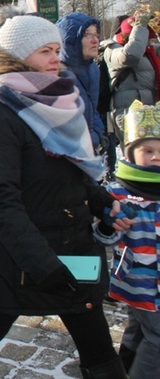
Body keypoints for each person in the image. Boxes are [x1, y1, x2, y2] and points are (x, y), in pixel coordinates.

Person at [0, 15, 127, 378]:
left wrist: (102, 201)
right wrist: (44, 266)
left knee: (98, 347)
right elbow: (1, 202)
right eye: (45, 51)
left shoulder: (60, 99)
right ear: (17, 57)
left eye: (57, 50)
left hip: (71, 244)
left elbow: (70, 169)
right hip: (19, 256)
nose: (55, 59)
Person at [93, 100, 160, 379]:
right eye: (148, 151)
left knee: (137, 330)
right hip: (140, 282)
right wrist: (111, 225)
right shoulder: (119, 193)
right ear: (131, 155)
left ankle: (123, 368)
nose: (157, 157)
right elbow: (102, 234)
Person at [103, 8, 159, 147]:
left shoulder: (149, 52)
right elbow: (131, 55)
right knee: (138, 158)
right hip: (129, 114)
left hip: (150, 113)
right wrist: (140, 26)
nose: (148, 40)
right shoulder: (112, 49)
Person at [56, 12, 105, 152]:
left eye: (96, 34)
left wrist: (98, 134)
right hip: (69, 152)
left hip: (91, 149)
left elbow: (92, 108)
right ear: (70, 40)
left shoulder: (93, 68)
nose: (95, 40)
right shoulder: (58, 73)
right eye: (88, 35)